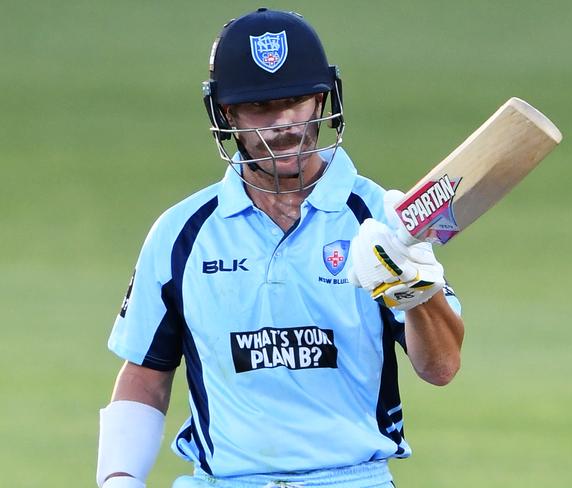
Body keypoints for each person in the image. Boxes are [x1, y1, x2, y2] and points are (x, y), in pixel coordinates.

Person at [97, 8, 464, 488]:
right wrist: (118, 479)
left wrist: (416, 292)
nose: (285, 123)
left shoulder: (379, 217)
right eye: (261, 108)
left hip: (351, 480)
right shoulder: (181, 233)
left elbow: (441, 368)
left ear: (323, 99)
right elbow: (146, 373)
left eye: (296, 101)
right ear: (226, 115)